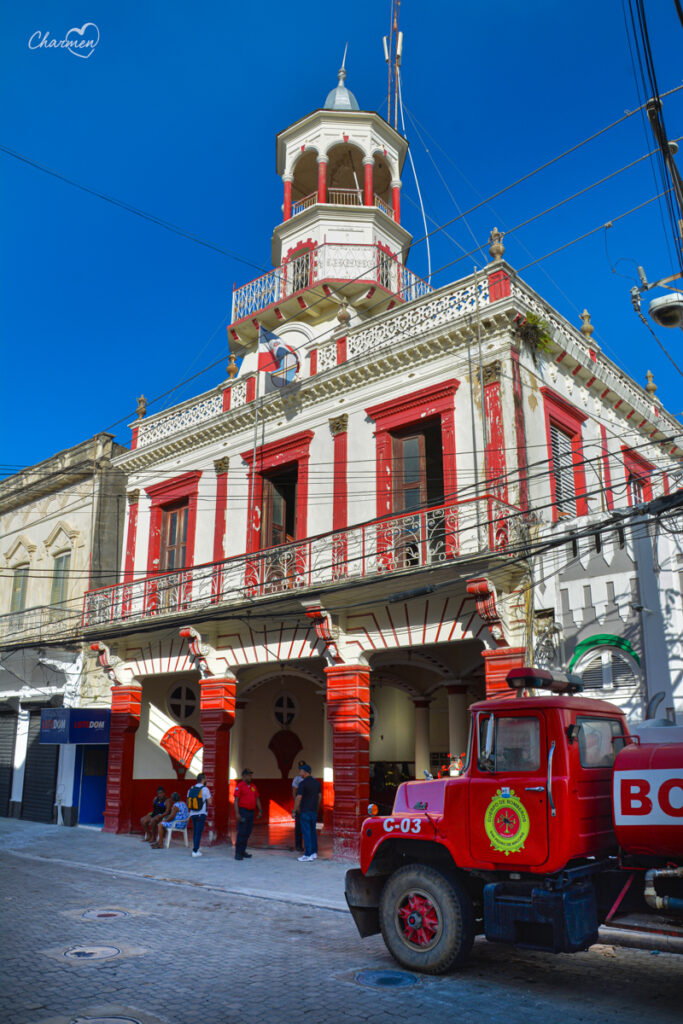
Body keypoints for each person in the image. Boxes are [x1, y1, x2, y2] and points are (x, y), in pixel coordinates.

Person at [292, 763, 321, 862]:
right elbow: (319, 796)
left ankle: (307, 854)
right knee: (313, 832)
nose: (299, 772)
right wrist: (316, 806)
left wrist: (294, 810)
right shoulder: (316, 783)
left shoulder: (302, 784)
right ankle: (314, 852)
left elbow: (299, 797)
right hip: (313, 810)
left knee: (306, 832)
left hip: (305, 811)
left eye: (301, 770)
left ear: (305, 772)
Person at [233, 769, 262, 861]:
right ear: (244, 776)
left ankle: (243, 851)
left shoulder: (253, 786)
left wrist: (260, 810)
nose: (250, 777)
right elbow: (236, 801)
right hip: (243, 812)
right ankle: (238, 853)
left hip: (251, 812)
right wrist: (237, 814)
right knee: (241, 832)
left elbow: (257, 798)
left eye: (251, 775)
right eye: (249, 775)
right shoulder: (240, 786)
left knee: (247, 833)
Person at [187, 772, 211, 858]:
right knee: (198, 832)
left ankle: (196, 848)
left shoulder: (191, 789)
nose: (206, 780)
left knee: (195, 832)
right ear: (203, 780)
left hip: (193, 813)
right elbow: (210, 801)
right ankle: (195, 850)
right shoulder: (205, 789)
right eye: (205, 779)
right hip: (201, 813)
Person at [291, 760, 306, 852]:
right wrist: (296, 805)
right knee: (298, 828)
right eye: (300, 768)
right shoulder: (296, 779)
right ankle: (298, 845)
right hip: (299, 805)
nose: (301, 770)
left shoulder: (309, 778)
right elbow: (294, 793)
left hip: (307, 804)